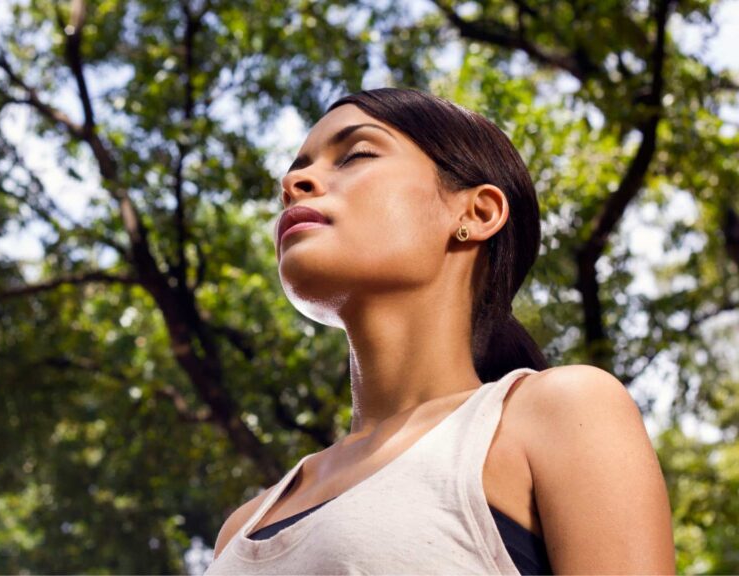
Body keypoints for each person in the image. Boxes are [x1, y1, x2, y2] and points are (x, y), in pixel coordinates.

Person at [203, 88, 675, 575]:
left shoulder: (560, 411)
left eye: (356, 155)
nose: (293, 181)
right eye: (298, 166)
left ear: (477, 213)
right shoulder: (240, 530)